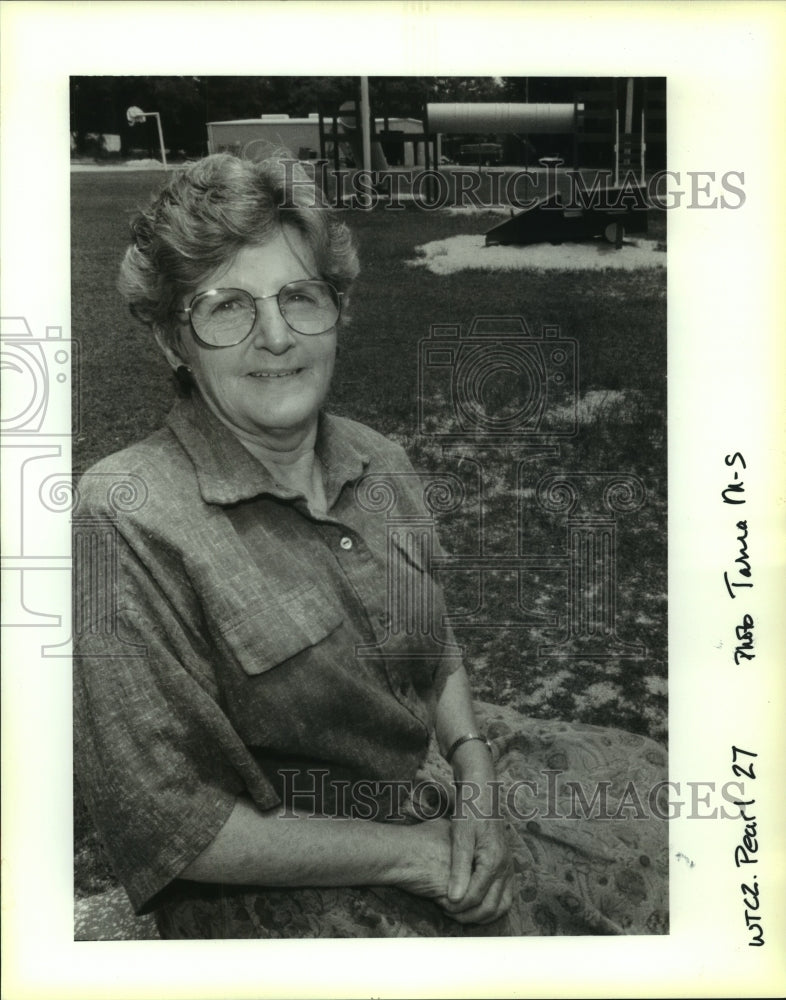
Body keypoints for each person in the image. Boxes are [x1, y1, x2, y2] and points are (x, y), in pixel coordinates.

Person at [73, 153, 668, 939]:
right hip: (288, 874)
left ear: (337, 308)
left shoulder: (378, 459)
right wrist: (415, 856)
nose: (278, 336)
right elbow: (170, 823)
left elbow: (432, 641)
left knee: (668, 807)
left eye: (300, 297)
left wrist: (473, 760)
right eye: (227, 307)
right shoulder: (124, 514)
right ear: (171, 341)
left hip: (425, 781)